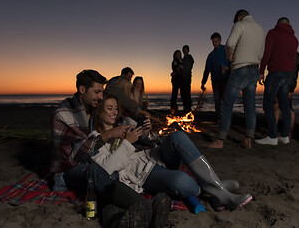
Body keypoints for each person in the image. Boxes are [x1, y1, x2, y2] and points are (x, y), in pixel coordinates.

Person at [90, 93, 253, 211]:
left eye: (116, 108)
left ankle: (219, 192)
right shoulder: (95, 138)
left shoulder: (126, 122)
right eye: (109, 108)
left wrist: (147, 133)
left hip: (154, 156)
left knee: (178, 136)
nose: (114, 112)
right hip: (141, 174)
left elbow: (153, 142)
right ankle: (218, 188)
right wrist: (127, 142)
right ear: (99, 111)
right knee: (183, 182)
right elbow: (106, 168)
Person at [49, 69, 166, 228]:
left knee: (108, 176)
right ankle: (149, 208)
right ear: (82, 90)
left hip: (93, 161)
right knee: (95, 171)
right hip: (70, 168)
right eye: (97, 92)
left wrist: (143, 131)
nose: (100, 96)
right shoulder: (64, 114)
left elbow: (115, 116)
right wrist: (107, 135)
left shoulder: (91, 108)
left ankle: (116, 220)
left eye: (102, 92)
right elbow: (75, 158)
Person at [206, 9, 265, 149]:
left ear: (239, 18)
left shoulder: (240, 25)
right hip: (254, 69)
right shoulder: (261, 29)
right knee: (250, 106)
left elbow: (230, 43)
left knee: (227, 103)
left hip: (241, 69)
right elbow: (262, 51)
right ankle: (248, 139)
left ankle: (220, 140)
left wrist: (230, 57)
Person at [255, 17, 299, 145]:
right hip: (287, 74)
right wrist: (289, 72)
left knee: (268, 103)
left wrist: (261, 71)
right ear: (289, 24)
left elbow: (267, 52)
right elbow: (293, 59)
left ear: (278, 24)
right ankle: (285, 136)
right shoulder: (294, 39)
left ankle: (272, 136)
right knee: (285, 105)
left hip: (275, 72)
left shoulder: (273, 33)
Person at [201, 32, 230, 122]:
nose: (214, 43)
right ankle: (219, 118)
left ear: (220, 40)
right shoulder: (211, 55)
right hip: (215, 81)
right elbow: (207, 70)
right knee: (217, 100)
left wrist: (228, 68)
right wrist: (203, 82)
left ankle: (226, 118)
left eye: (216, 41)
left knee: (226, 100)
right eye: (213, 42)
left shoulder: (227, 50)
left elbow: (235, 62)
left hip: (226, 79)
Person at [274, 52, 299, 137]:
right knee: (287, 105)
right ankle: (288, 133)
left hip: (284, 81)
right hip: (291, 82)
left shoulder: (287, 54)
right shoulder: (297, 56)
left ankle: (273, 131)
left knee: (276, 105)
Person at [181, 45, 194, 113]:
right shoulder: (183, 59)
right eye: (183, 50)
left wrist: (183, 69)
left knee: (187, 93)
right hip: (183, 78)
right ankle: (185, 108)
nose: (184, 51)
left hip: (187, 77)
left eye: (185, 50)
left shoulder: (189, 58)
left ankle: (188, 109)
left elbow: (189, 67)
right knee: (183, 93)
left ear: (188, 50)